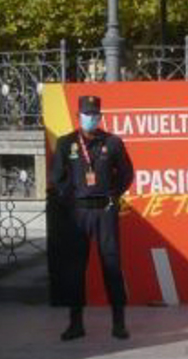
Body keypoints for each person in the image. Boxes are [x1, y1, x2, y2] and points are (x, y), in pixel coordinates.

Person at [49, 95, 134, 341]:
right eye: (87, 114)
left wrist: (113, 195)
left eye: (95, 114)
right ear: (79, 116)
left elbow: (127, 173)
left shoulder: (112, 142)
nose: (91, 118)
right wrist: (72, 200)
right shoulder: (66, 143)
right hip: (79, 214)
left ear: (100, 117)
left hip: (105, 212)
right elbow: (57, 177)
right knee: (75, 269)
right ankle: (76, 324)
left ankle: (119, 323)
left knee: (111, 265)